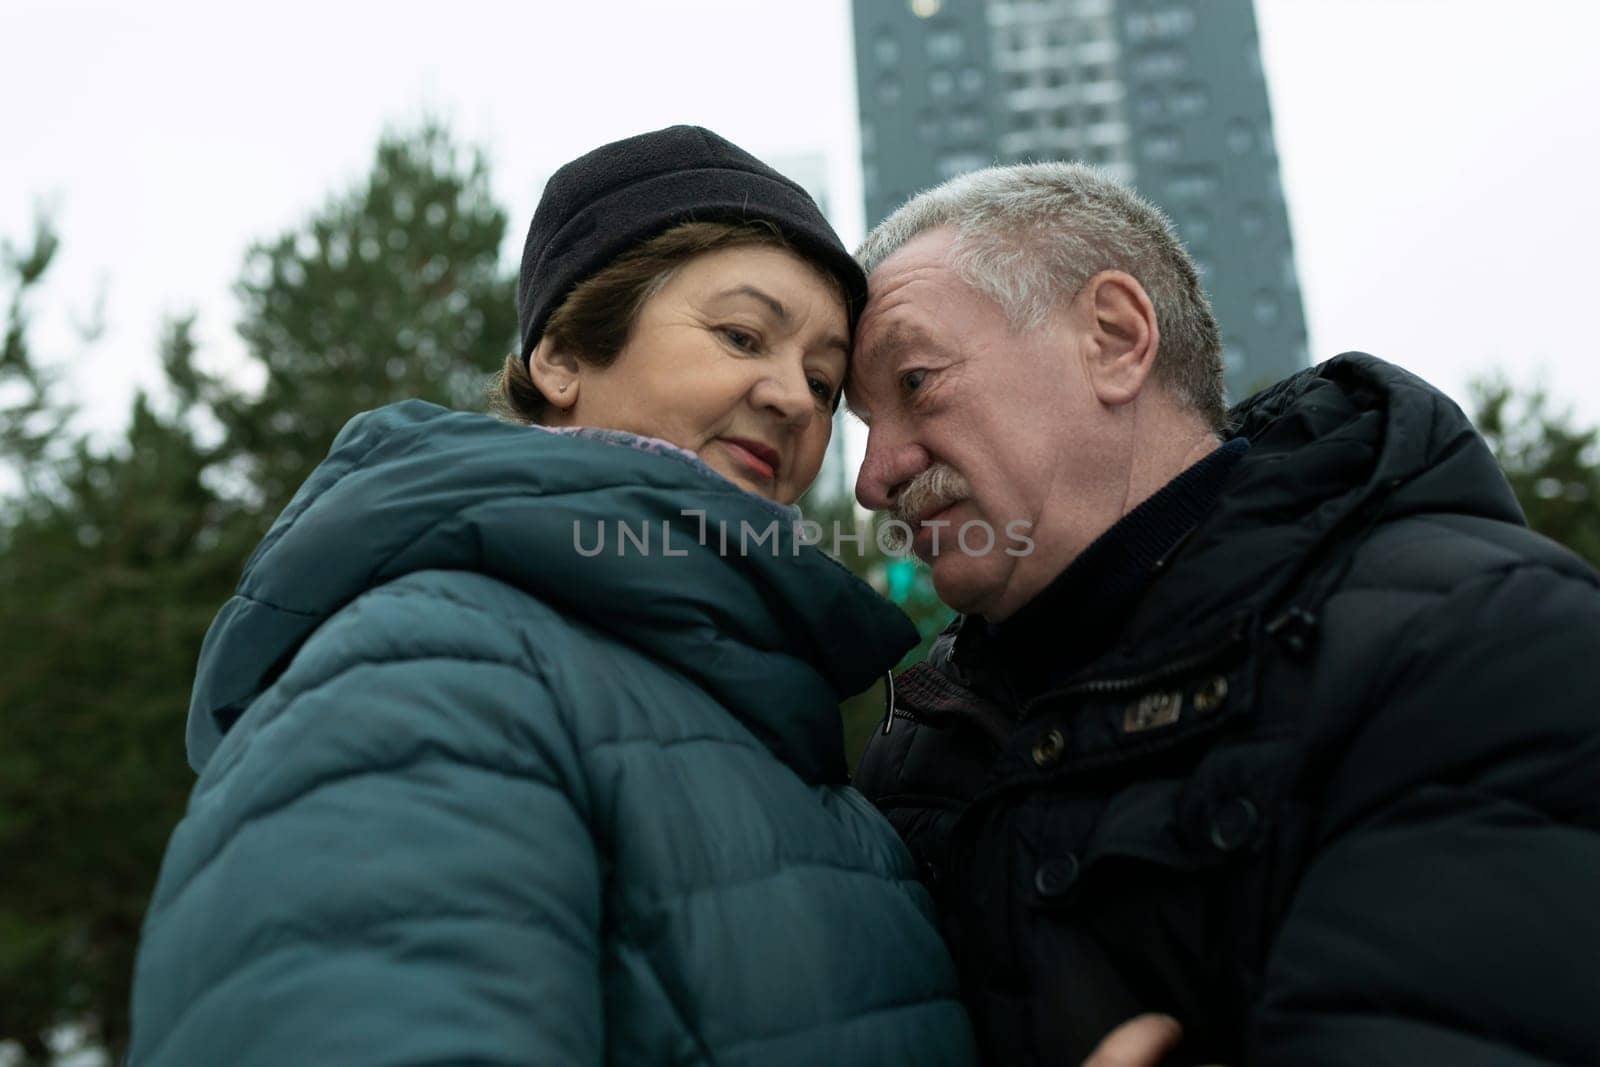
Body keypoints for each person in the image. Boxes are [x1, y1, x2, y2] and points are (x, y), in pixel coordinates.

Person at [127, 126, 978, 1066]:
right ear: (563, 354)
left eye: (824, 382)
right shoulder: (436, 669)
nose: (791, 398)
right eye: (741, 334)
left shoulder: (793, 740)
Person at [844, 161, 1600, 1066]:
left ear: (1116, 338)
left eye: (917, 381)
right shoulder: (910, 763)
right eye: (860, 421)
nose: (872, 476)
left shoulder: (1475, 641)